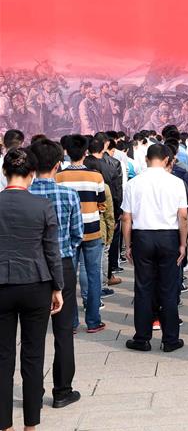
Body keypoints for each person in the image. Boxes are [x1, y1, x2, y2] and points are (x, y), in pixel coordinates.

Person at [0, 148, 65, 431]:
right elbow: (52, 250)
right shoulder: (42, 205)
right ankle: (30, 426)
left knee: (2, 358)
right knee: (33, 355)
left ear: (5, 173)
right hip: (36, 283)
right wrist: (58, 287)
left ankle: (5, 429)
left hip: (2, 284)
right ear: (30, 174)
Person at [28, 139, 83, 409]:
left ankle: (33, 392)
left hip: (32, 269)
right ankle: (62, 390)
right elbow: (77, 235)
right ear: (58, 165)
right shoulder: (69, 194)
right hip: (63, 264)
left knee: (33, 333)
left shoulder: (24, 195)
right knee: (63, 330)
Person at [122, 143, 188, 353]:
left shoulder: (134, 183)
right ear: (167, 160)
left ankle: (142, 338)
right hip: (169, 236)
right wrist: (183, 243)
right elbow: (183, 216)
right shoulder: (176, 182)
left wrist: (127, 245)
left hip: (142, 237)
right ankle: (170, 340)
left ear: (146, 159)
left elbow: (126, 218)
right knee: (169, 288)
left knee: (143, 288)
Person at [56, 135, 107, 334]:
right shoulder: (96, 176)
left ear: (66, 152)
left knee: (69, 277)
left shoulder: (59, 177)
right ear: (86, 152)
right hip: (92, 230)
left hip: (68, 233)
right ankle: (93, 321)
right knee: (94, 276)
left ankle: (71, 322)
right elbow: (102, 203)